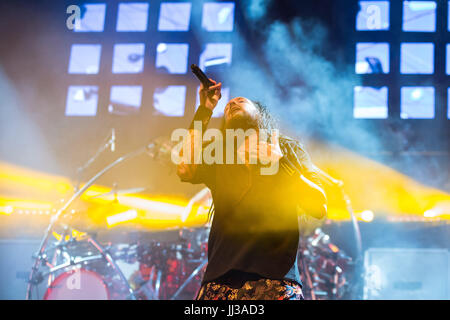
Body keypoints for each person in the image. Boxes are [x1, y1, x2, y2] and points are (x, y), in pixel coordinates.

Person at [176, 79, 327, 300]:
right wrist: (204, 110)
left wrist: (280, 165)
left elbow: (318, 205)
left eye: (241, 101)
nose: (232, 102)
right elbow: (186, 168)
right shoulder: (219, 154)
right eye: (228, 105)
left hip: (276, 280)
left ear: (261, 115)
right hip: (221, 279)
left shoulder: (288, 149)